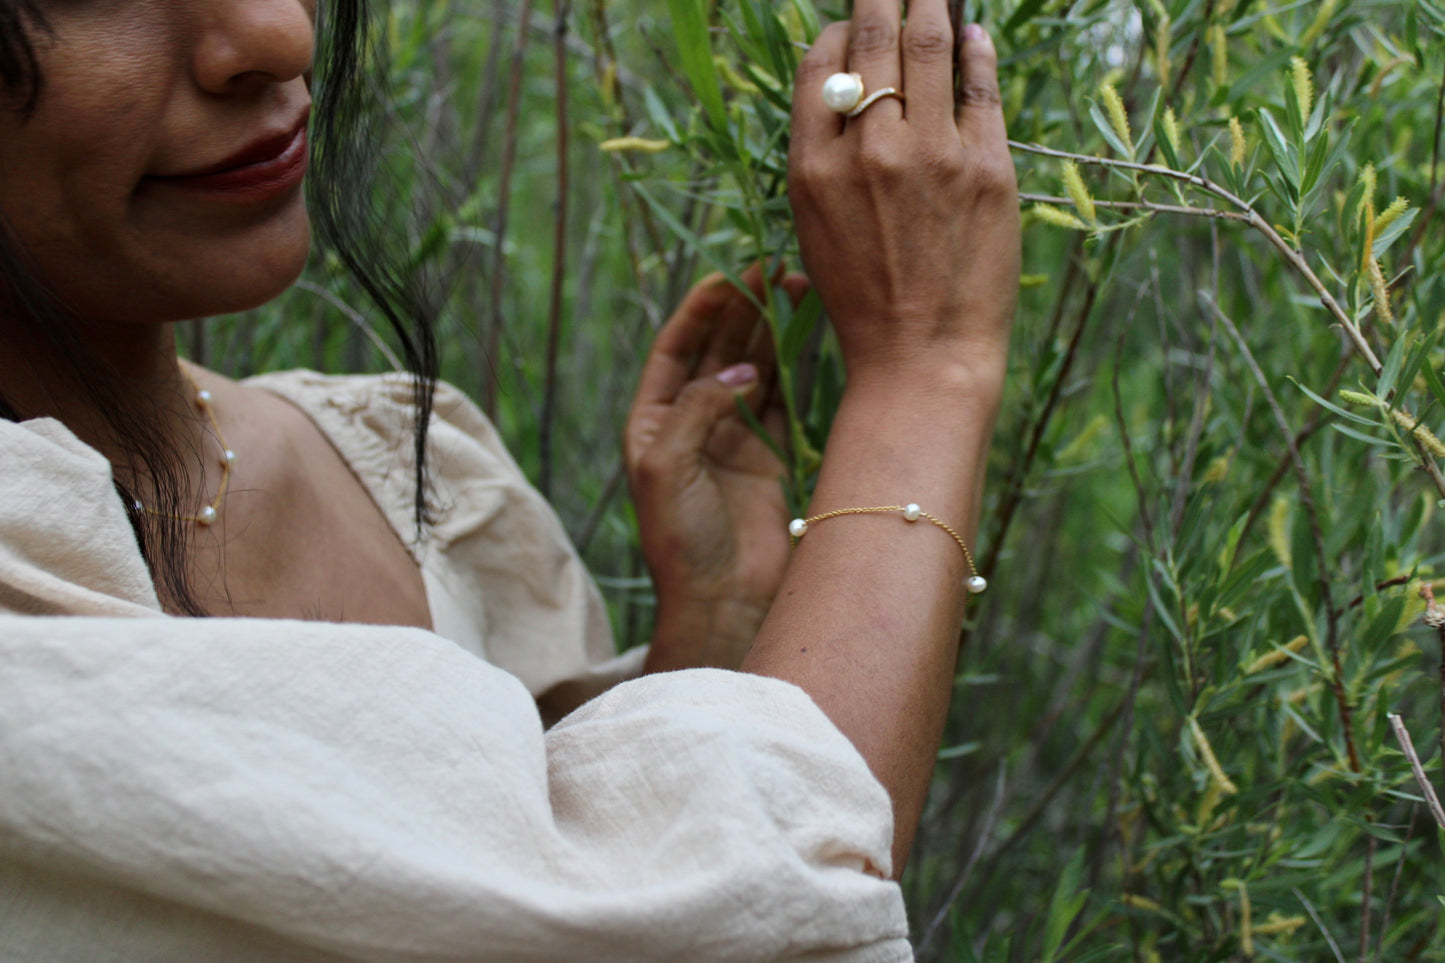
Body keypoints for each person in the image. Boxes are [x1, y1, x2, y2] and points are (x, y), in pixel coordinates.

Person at [0, 0, 1019, 959]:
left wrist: (713, 630)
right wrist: (923, 371)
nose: (274, 30)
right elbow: (723, 924)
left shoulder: (396, 456)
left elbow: (578, 867)